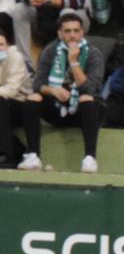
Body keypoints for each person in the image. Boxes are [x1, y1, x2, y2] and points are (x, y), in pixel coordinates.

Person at [19, 9, 105, 174]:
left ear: (82, 33)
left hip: (85, 111)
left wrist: (74, 63)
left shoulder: (94, 54)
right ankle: (33, 155)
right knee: (33, 97)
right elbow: (38, 83)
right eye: (67, 31)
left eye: (76, 31)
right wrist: (52, 90)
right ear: (59, 34)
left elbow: (90, 89)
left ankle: (89, 158)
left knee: (87, 98)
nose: (72, 35)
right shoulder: (50, 51)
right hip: (57, 108)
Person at [0, 21, 34, 170]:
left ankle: (6, 155)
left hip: (21, 105)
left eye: (1, 44)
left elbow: (11, 90)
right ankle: (18, 149)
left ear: (7, 45)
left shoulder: (15, 57)